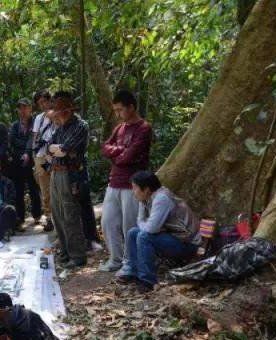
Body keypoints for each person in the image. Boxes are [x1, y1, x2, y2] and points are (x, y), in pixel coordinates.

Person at [117, 171, 201, 292]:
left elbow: (151, 229)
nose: (133, 192)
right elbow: (140, 222)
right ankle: (133, 271)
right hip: (173, 238)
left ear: (146, 189)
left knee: (143, 236)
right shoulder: (147, 198)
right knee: (132, 232)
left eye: (135, 188)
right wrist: (145, 221)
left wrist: (146, 225)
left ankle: (148, 281)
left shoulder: (162, 198)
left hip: (188, 244)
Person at [99, 90, 153, 272]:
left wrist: (118, 154)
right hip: (114, 183)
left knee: (130, 225)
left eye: (120, 110)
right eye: (115, 110)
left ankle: (130, 263)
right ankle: (115, 259)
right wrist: (120, 150)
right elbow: (105, 148)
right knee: (107, 222)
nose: (118, 114)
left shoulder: (144, 128)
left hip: (133, 185)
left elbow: (129, 157)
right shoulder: (119, 128)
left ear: (131, 107)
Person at [47, 92, 88, 268]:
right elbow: (50, 147)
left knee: (69, 213)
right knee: (57, 213)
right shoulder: (60, 128)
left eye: (58, 114)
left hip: (70, 173)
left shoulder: (80, 126)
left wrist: (61, 149)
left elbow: (67, 148)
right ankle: (65, 252)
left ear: (67, 112)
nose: (56, 118)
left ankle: (77, 255)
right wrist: (59, 149)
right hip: (56, 173)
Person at [8, 98, 42, 229]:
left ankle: (37, 215)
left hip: (32, 160)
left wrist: (27, 150)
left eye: (25, 107)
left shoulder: (36, 123)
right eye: (20, 108)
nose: (23, 110)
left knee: (34, 188)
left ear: (30, 108)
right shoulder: (14, 125)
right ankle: (20, 217)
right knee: (18, 190)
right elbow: (11, 141)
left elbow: (33, 140)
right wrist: (22, 149)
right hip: (17, 162)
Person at [31, 90, 55, 232]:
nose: (43, 105)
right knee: (45, 189)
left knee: (57, 186)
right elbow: (35, 137)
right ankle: (49, 217)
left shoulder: (57, 115)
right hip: (40, 156)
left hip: (54, 154)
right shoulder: (39, 118)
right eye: (40, 103)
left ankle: (59, 216)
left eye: (45, 101)